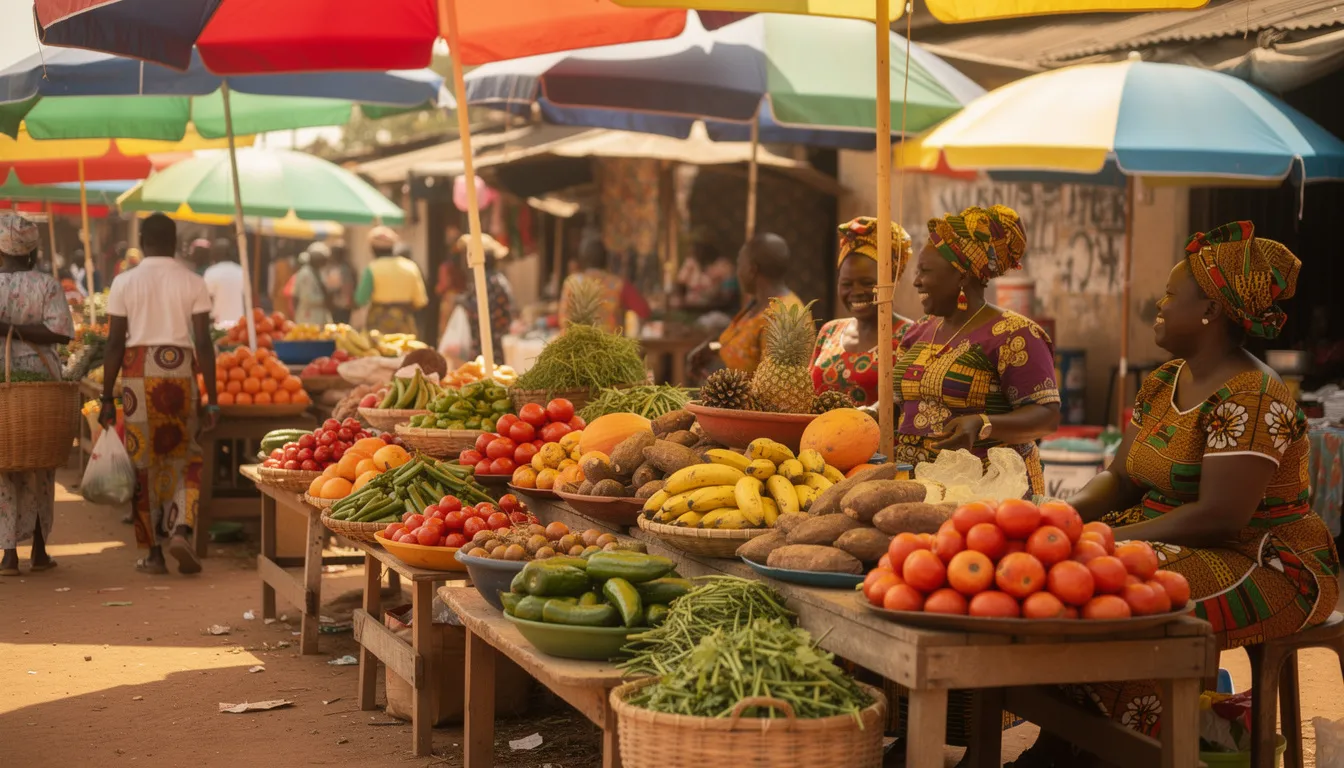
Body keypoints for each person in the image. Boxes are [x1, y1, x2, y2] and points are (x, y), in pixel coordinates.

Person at [1009, 222, 1343, 767]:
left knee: (1122, 590)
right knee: (1059, 572)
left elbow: (1218, 517)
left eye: (1169, 296)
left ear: (1210, 308)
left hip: (1269, 560)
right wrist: (1060, 517)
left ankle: (1126, 752)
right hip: (1175, 535)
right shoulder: (1164, 381)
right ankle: (1066, 742)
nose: (1158, 306)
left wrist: (1105, 537)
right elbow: (1121, 478)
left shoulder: (1253, 396)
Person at [893, 205, 1061, 495]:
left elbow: (1047, 416)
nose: (916, 281)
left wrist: (984, 424)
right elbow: (902, 406)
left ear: (961, 277)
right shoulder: (916, 332)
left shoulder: (1015, 334)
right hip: (917, 489)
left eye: (925, 271)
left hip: (987, 492)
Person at [100, 213, 218, 576]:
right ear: (176, 240)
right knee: (186, 455)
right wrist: (212, 398)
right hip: (179, 372)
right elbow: (203, 342)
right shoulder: (193, 281)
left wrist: (107, 396)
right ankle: (181, 529)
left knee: (143, 460)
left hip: (137, 375)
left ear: (141, 239)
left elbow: (115, 343)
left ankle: (153, 553)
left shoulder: (124, 282)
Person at [0, 214, 73, 577]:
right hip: (42, 380)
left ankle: (9, 555)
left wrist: (7, 328)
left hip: (3, 385)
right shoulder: (47, 286)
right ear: (32, 250)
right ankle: (39, 551)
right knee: (41, 467)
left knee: (3, 469)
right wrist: (24, 330)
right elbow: (61, 334)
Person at [810, 217, 915, 406]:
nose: (856, 292)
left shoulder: (910, 336)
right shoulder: (829, 332)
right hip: (818, 434)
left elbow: (910, 400)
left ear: (891, 282)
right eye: (847, 284)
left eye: (867, 283)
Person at [558, 229, 650, 330]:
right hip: (609, 344)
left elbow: (563, 318)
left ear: (582, 259)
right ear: (606, 258)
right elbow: (644, 311)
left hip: (574, 344)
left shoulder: (572, 283)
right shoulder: (617, 284)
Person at [355, 226, 427, 336]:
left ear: (373, 249)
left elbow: (360, 299)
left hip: (378, 325)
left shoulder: (372, 268)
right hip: (404, 323)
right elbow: (420, 301)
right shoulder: (410, 267)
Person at [457, 233, 516, 364]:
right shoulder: (495, 279)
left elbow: (478, 312)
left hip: (487, 347)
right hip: (489, 345)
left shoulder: (488, 282)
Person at [203, 238, 245, 328]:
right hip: (239, 324)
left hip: (217, 325)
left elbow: (206, 300)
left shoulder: (211, 272)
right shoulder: (241, 271)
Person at [291, 244, 333, 325]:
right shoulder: (305, 274)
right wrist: (325, 300)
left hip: (320, 316)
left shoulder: (319, 272)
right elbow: (306, 297)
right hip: (308, 316)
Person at [321, 242, 356, 324]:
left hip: (339, 304)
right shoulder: (349, 268)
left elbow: (334, 287)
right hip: (343, 304)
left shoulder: (340, 269)